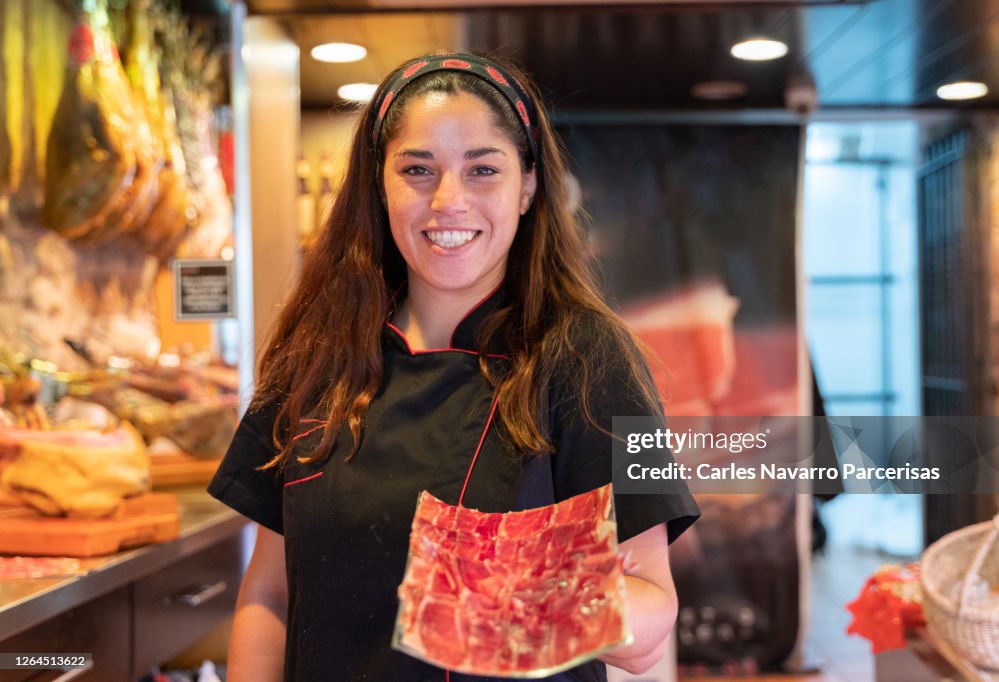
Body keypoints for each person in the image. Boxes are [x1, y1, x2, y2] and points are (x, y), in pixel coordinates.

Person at [208, 51, 699, 682]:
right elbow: (270, 595)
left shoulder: (590, 357)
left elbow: (653, 609)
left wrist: (523, 588)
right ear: (378, 185)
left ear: (527, 187)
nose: (448, 201)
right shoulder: (314, 355)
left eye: (482, 170)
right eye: (417, 169)